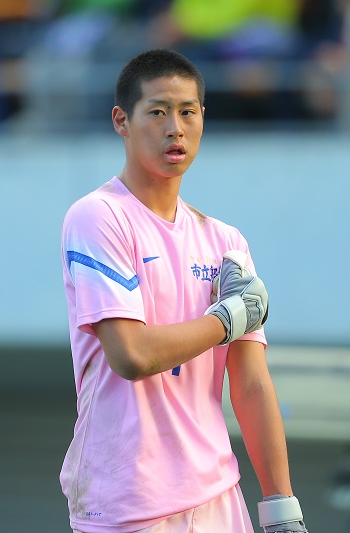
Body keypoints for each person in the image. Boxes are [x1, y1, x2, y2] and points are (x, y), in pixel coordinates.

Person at [60, 48, 308, 533]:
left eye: (187, 112)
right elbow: (131, 355)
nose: (175, 128)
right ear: (121, 120)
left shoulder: (226, 242)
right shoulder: (98, 217)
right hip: (128, 501)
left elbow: (251, 384)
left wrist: (282, 508)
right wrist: (225, 320)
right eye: (157, 112)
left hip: (219, 494)